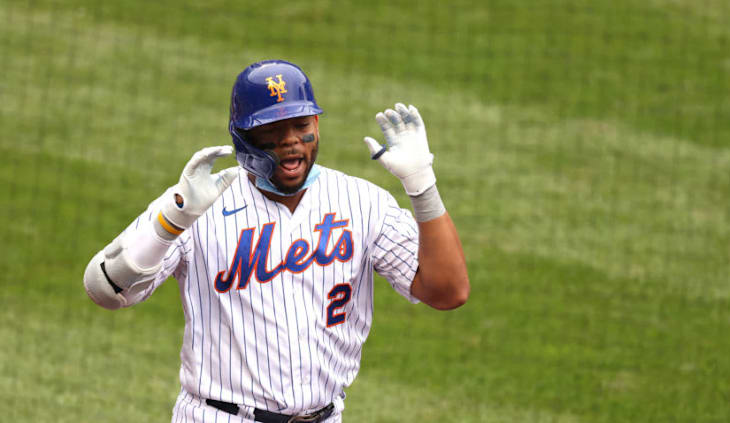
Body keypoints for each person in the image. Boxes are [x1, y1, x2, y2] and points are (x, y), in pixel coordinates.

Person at [83, 59, 469, 423]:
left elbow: (448, 291)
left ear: (317, 122)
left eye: (301, 124)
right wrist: (172, 221)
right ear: (242, 137)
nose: (291, 142)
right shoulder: (196, 203)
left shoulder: (364, 202)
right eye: (271, 130)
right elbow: (106, 290)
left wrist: (421, 185)